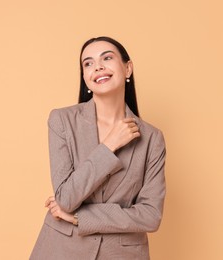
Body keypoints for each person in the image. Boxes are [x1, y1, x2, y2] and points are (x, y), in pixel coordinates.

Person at [30, 36, 166, 260]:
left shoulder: (152, 138)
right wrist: (109, 145)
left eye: (107, 58)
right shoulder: (62, 121)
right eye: (88, 63)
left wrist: (79, 217)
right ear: (85, 77)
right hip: (62, 250)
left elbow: (150, 216)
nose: (98, 67)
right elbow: (65, 198)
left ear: (128, 68)